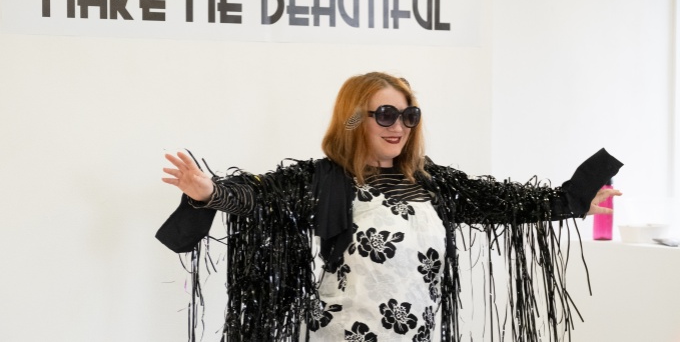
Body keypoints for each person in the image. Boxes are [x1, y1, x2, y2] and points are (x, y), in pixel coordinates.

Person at [157, 71, 622, 342]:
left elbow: (506, 200)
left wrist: (575, 201)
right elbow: (261, 194)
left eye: (407, 115)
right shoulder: (326, 179)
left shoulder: (431, 181)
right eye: (384, 114)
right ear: (358, 120)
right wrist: (210, 193)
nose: (398, 125)